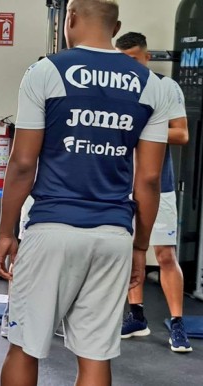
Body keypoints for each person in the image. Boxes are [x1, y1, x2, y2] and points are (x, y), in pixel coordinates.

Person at [0, 1, 169, 385]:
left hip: (52, 231)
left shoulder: (45, 72)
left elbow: (23, 163)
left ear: (69, 18)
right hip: (112, 235)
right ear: (116, 25)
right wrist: (140, 247)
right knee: (94, 356)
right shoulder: (151, 84)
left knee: (24, 346)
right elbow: (150, 179)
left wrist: (6, 232)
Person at [115, 32, 192, 352]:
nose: (127, 65)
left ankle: (177, 324)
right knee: (127, 252)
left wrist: (139, 127)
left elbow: (181, 133)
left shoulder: (165, 86)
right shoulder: (114, 88)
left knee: (164, 255)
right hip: (120, 184)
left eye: (133, 58)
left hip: (159, 185)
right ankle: (136, 316)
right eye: (122, 60)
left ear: (146, 57)